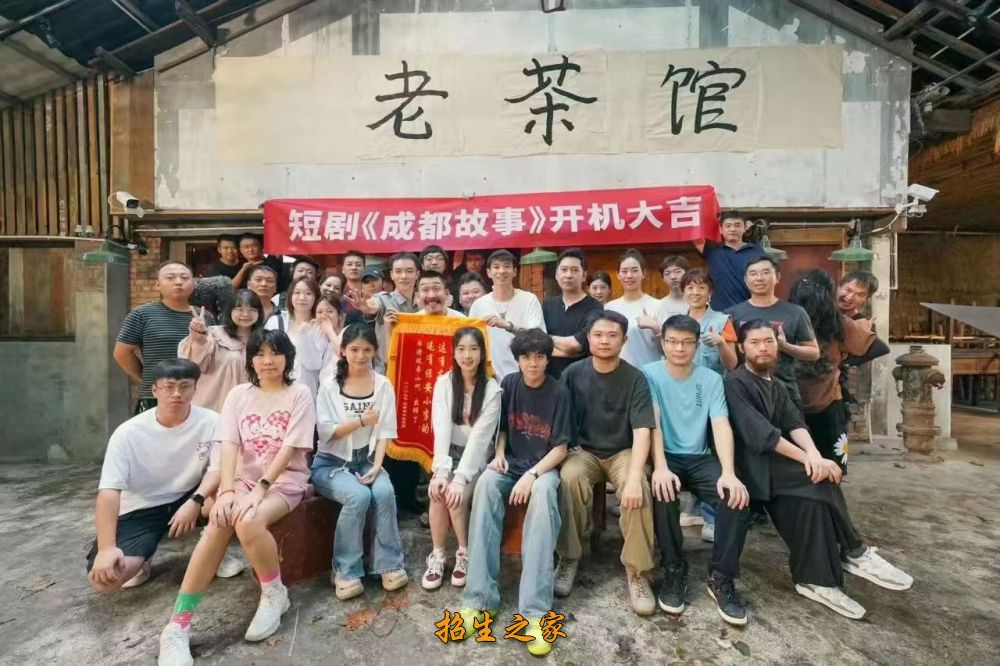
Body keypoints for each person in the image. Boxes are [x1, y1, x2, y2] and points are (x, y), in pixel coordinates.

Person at [723, 320, 912, 620]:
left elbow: (794, 423)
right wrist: (808, 461)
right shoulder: (736, 382)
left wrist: (814, 455)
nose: (763, 348)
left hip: (775, 464)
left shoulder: (777, 385)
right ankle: (854, 551)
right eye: (755, 342)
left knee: (815, 495)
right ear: (742, 347)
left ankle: (817, 581)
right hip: (750, 467)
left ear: (778, 345)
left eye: (769, 341)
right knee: (820, 480)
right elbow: (761, 435)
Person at [157, 330, 317, 665]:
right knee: (218, 522)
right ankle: (178, 625)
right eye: (260, 354)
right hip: (243, 481)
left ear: (288, 358)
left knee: (249, 521)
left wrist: (260, 489)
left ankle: (274, 592)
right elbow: (229, 444)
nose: (268, 361)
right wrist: (227, 491)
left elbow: (291, 448)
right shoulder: (238, 395)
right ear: (250, 360)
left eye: (275, 353)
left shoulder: (299, 394)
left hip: (284, 482)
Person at [459, 329, 571, 656]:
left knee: (545, 495)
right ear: (518, 360)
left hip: (544, 468)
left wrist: (533, 475)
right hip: (510, 464)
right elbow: (503, 429)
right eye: (525, 357)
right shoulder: (508, 384)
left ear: (547, 360)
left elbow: (561, 448)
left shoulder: (559, 392)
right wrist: (498, 453)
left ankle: (535, 613)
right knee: (486, 484)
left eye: (539, 357)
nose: (532, 363)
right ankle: (479, 600)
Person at [641, 316, 751, 625]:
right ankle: (674, 567)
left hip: (701, 457)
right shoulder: (648, 374)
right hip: (666, 455)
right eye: (673, 342)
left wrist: (729, 472)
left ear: (697, 345)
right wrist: (660, 466)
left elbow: (720, 424)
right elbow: (652, 422)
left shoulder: (711, 379)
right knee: (662, 493)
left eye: (687, 342)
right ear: (663, 343)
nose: (679, 348)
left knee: (735, 498)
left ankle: (721, 576)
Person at [89, 360, 223, 593]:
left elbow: (218, 469)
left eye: (185, 386)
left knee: (225, 495)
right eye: (168, 386)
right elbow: (109, 491)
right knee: (105, 582)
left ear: (195, 389)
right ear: (154, 390)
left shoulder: (212, 421)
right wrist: (106, 548)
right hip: (142, 508)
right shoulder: (128, 433)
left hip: (188, 496)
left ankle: (214, 549)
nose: (177, 393)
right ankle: (142, 556)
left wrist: (195, 501)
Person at [556, 311, 658, 615]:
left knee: (637, 487)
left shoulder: (635, 378)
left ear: (623, 340)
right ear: (588, 338)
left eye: (612, 335)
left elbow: (642, 430)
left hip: (622, 452)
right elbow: (560, 418)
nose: (604, 341)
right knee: (569, 478)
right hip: (583, 451)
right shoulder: (572, 373)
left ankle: (638, 571)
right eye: (598, 334)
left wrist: (636, 474)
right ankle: (569, 557)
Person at [312, 324, 409, 601]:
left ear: (375, 351)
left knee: (384, 491)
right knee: (358, 496)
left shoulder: (383, 384)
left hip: (366, 459)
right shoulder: (330, 386)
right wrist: (362, 421)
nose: (360, 356)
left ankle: (388, 565)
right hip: (331, 463)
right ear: (343, 351)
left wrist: (378, 466)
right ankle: (345, 570)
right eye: (354, 349)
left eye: (367, 350)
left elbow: (386, 430)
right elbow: (327, 432)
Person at [423, 327, 502, 590]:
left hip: (476, 458)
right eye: (461, 349)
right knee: (437, 492)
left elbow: (480, 439)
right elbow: (442, 428)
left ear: (482, 353)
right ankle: (437, 555)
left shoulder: (492, 390)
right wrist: (441, 472)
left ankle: (464, 553)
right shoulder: (444, 383)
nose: (467, 355)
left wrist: (459, 478)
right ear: (454, 353)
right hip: (449, 453)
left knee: (455, 497)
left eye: (473, 349)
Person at [788, 271, 889, 472]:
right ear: (838, 288)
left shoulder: (847, 322)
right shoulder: (801, 316)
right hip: (796, 396)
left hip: (829, 397)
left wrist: (844, 362)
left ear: (866, 299)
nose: (850, 297)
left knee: (830, 457)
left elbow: (879, 347)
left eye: (860, 294)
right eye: (848, 290)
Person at [115, 261, 215, 414]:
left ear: (193, 284)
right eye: (170, 278)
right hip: (155, 396)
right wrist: (149, 378)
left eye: (184, 278)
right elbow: (122, 353)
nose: (178, 282)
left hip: (197, 396)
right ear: (157, 285)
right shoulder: (142, 315)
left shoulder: (205, 317)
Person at [726, 256, 819, 409]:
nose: (759, 278)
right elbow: (729, 359)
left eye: (765, 273)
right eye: (753, 274)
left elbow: (814, 353)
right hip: (745, 393)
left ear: (777, 277)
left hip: (786, 393)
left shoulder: (795, 312)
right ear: (746, 280)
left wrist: (784, 346)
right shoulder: (731, 314)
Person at [179, 290, 266, 413]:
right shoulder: (214, 335)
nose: (246, 314)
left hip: (249, 408)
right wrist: (199, 335)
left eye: (252, 310)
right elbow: (195, 364)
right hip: (213, 407)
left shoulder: (263, 340)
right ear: (230, 311)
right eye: (239, 309)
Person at [469, 250, 545, 380]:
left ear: (515, 271)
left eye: (507, 266)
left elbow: (538, 338)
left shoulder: (529, 299)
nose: (502, 271)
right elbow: (471, 341)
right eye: (496, 267)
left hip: (524, 376)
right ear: (488, 272)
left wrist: (507, 325)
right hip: (490, 378)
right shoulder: (479, 305)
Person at [349, 252, 420, 373]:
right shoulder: (383, 299)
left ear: (417, 274)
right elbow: (373, 306)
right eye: (398, 271)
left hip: (417, 367)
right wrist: (367, 308)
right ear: (392, 275)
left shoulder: (424, 302)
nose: (403, 276)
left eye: (409, 271)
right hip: (387, 370)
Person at [265, 277, 329, 400]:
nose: (302, 297)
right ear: (290, 296)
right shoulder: (277, 321)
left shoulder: (320, 327)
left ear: (316, 297)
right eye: (297, 292)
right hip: (274, 389)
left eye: (308, 293)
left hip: (306, 392)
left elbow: (314, 364)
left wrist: (304, 336)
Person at [543, 248, 603, 378]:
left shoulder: (595, 308)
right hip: (550, 381)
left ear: (584, 276)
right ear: (556, 274)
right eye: (564, 270)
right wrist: (566, 349)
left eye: (575, 270)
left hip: (582, 380)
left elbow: (575, 346)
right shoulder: (548, 305)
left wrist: (545, 340)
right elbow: (538, 346)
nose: (568, 275)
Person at [693, 211, 766, 312]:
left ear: (745, 228)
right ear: (720, 229)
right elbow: (694, 234)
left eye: (737, 225)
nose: (733, 229)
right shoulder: (712, 250)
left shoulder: (756, 251)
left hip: (750, 311)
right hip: (719, 313)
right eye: (728, 226)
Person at [605, 249, 663, 367]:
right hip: (617, 372)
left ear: (643, 273)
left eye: (635, 270)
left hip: (648, 372)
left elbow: (667, 350)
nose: (629, 275)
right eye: (624, 271)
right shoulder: (609, 307)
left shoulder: (657, 305)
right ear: (618, 275)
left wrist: (656, 328)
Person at [683, 269, 738, 375]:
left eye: (701, 288)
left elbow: (731, 365)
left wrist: (721, 343)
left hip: (712, 383)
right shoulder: (676, 323)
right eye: (690, 288)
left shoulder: (723, 321)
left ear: (710, 292)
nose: (695, 292)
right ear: (683, 292)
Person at [656, 255, 690, 322]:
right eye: (667, 273)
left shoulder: (697, 303)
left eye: (677, 272)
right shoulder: (659, 305)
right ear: (663, 279)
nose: (673, 277)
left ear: (687, 273)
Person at [339, 250, 367, 326]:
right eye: (349, 264)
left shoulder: (370, 294)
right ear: (343, 269)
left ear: (364, 269)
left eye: (358, 265)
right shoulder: (338, 293)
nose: (354, 268)